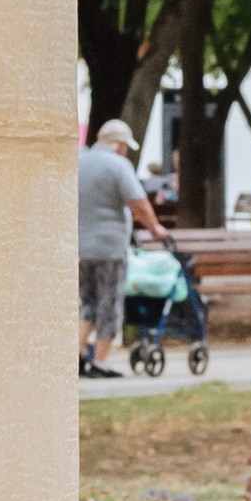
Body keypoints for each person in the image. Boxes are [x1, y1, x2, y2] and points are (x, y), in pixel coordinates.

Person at [78, 117, 159, 382]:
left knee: (87, 301)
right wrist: (156, 229)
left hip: (81, 245)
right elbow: (138, 202)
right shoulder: (118, 165)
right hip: (110, 247)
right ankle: (100, 361)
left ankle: (76, 353)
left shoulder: (79, 161)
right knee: (109, 303)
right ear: (119, 144)